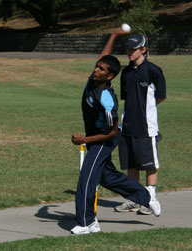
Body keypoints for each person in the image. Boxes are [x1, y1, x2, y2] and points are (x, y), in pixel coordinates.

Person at [70, 27, 161, 235]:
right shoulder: (92, 81)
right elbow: (103, 56)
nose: (96, 70)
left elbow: (111, 134)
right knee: (107, 177)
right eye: (96, 67)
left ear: (109, 76)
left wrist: (85, 139)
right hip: (95, 137)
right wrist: (113, 35)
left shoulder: (108, 100)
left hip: (105, 139)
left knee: (86, 178)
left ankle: (87, 223)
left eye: (101, 69)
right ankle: (146, 197)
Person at [114, 34, 166, 215]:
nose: (129, 52)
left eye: (133, 49)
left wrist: (146, 110)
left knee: (149, 163)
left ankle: (150, 199)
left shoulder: (153, 70)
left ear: (143, 49)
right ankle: (134, 199)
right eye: (127, 48)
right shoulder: (126, 72)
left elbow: (160, 96)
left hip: (146, 126)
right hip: (127, 125)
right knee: (132, 164)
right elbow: (126, 98)